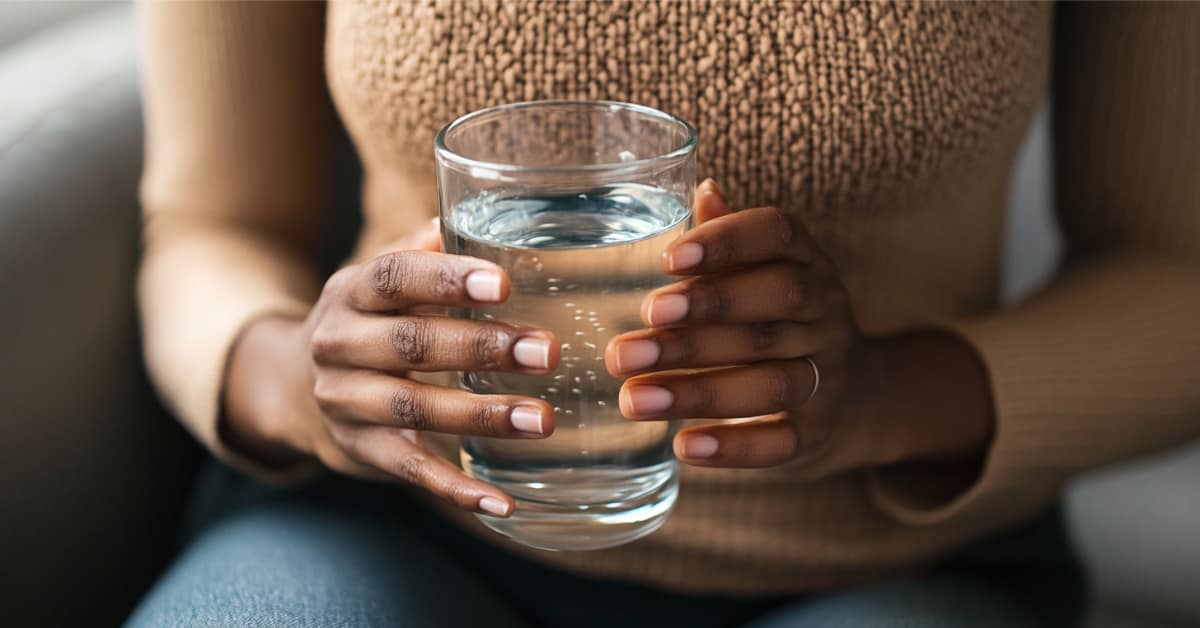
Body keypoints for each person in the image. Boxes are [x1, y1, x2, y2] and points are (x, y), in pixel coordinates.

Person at [128, 2, 1200, 627]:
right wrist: (305, 386)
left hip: (889, 562)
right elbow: (210, 220)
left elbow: (1175, 275)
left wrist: (873, 394)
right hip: (393, 526)